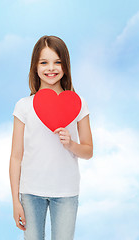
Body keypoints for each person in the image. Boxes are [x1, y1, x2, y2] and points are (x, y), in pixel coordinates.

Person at [9, 35, 93, 240]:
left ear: (65, 65)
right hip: (30, 192)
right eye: (44, 62)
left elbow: (89, 150)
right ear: (35, 67)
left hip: (66, 192)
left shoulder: (78, 103)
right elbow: (16, 157)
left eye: (57, 62)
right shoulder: (24, 106)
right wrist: (15, 201)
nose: (51, 68)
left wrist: (71, 144)